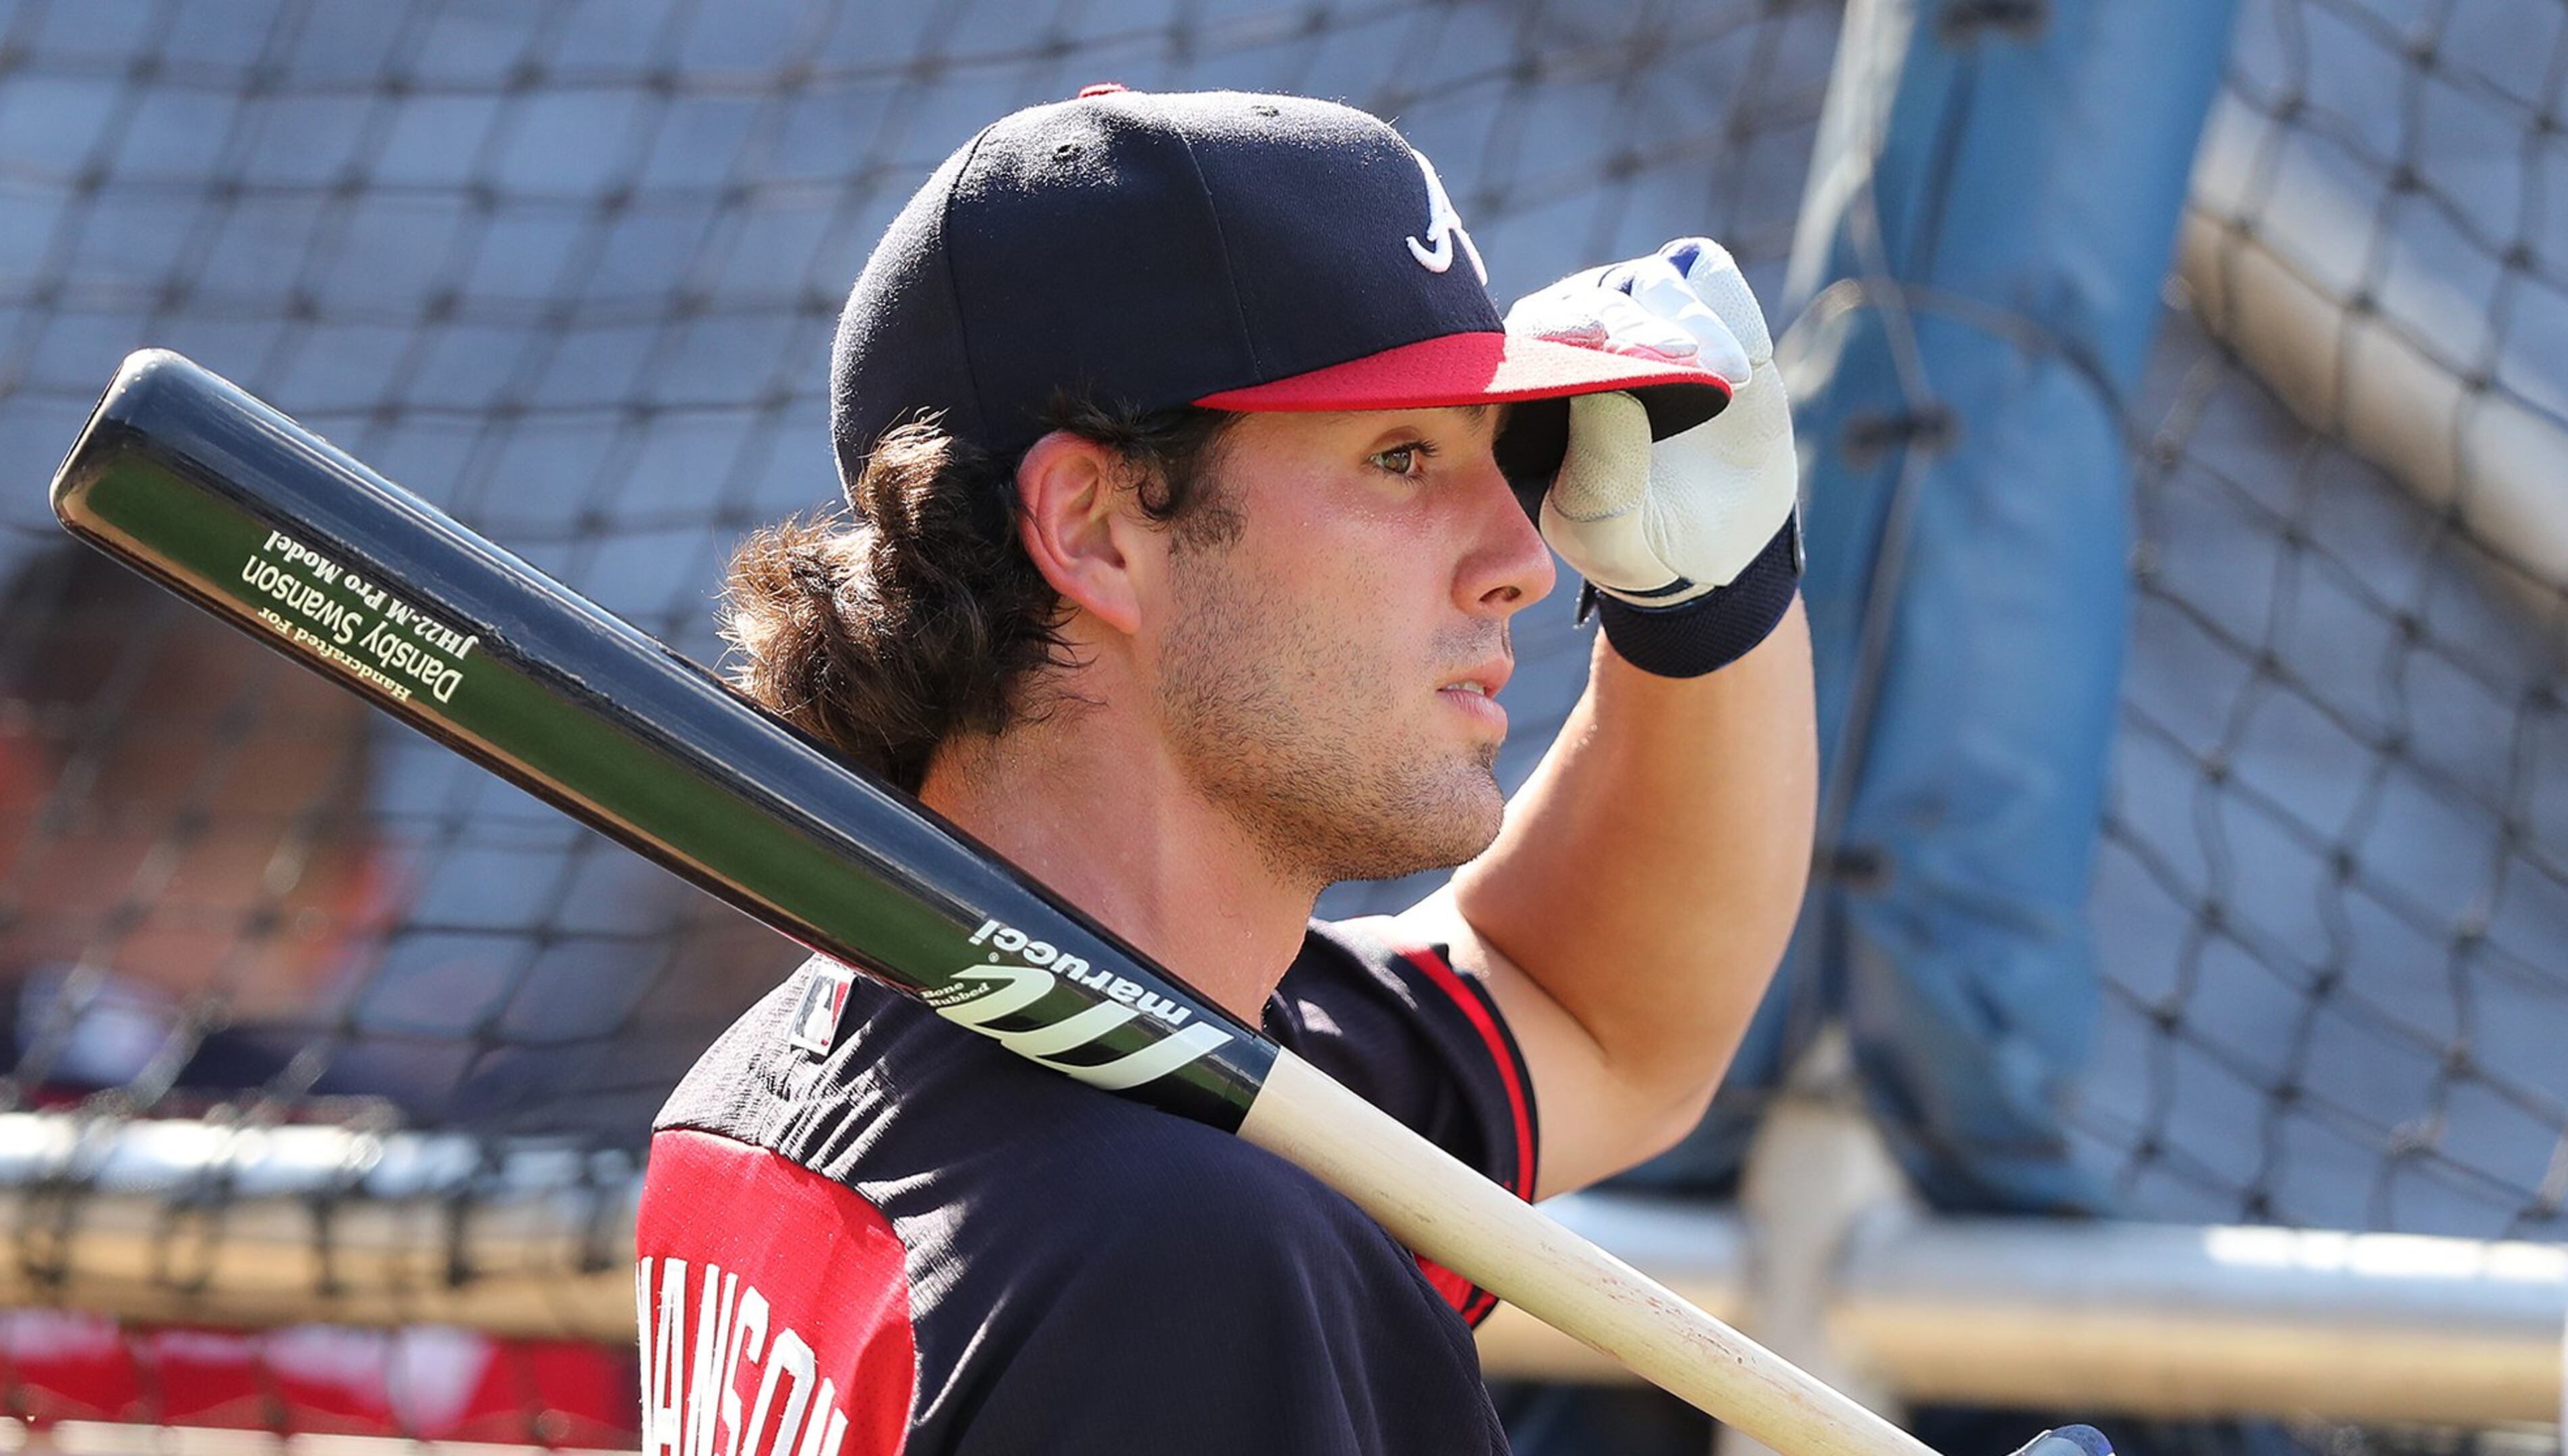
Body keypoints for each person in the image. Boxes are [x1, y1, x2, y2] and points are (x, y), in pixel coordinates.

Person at [634, 86, 1815, 1455]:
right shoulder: (1185, 1255)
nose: (1523, 561)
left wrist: (1708, 609)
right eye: (1401, 456)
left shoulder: (810, 1078)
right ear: (1095, 528)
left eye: (1495, 462)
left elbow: (1605, 1020)